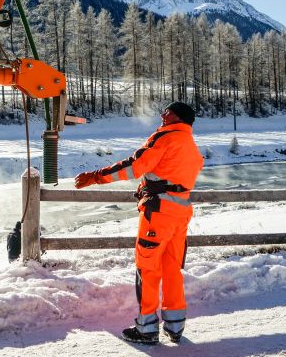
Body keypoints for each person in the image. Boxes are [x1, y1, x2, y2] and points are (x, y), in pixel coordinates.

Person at [74, 102, 204, 345]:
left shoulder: (165, 137)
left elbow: (135, 166)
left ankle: (146, 329)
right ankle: (175, 326)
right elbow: (169, 174)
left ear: (177, 116)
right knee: (172, 269)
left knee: (148, 269)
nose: (163, 114)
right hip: (181, 212)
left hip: (158, 213)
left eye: (167, 111)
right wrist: (148, 186)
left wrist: (95, 177)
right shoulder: (189, 144)